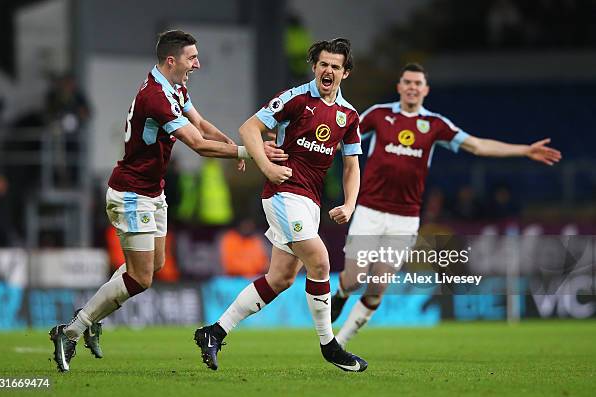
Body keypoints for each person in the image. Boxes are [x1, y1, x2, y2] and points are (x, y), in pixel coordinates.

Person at [48, 30, 277, 372]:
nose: (197, 64)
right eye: (192, 58)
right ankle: (71, 330)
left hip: (153, 192)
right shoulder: (156, 98)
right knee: (141, 278)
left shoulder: (174, 88)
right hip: (131, 194)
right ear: (172, 60)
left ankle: (96, 316)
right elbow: (197, 144)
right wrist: (250, 151)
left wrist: (230, 142)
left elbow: (200, 124)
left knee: (152, 266)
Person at [330, 62, 562, 347]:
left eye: (418, 83)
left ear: (426, 90)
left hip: (405, 219)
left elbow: (477, 145)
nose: (413, 87)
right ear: (399, 87)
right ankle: (341, 294)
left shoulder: (436, 125)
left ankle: (339, 342)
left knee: (377, 287)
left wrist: (524, 150)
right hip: (369, 210)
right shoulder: (379, 115)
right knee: (354, 280)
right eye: (408, 82)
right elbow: (343, 138)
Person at [194, 38, 368, 372]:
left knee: (281, 278)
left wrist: (350, 203)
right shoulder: (296, 98)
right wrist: (268, 167)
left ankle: (213, 332)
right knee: (319, 261)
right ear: (314, 67)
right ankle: (330, 345)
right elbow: (249, 128)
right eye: (323, 64)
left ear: (345, 73)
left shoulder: (348, 116)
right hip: (284, 193)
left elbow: (351, 166)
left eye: (335, 66)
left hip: (310, 202)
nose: (328, 70)